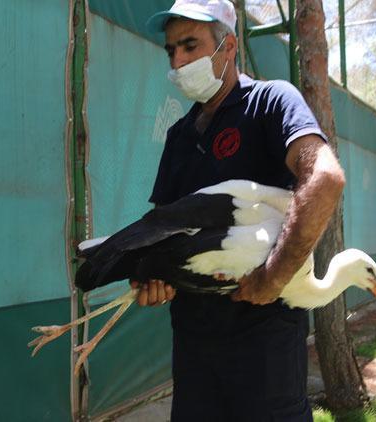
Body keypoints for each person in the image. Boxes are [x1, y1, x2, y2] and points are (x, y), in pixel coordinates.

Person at [134, 1, 345, 420]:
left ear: (228, 46)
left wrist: (276, 274)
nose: (178, 61)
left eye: (190, 45)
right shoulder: (179, 135)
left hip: (264, 346)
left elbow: (324, 180)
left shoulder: (271, 102)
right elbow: (161, 229)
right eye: (171, 50)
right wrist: (150, 273)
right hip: (193, 344)